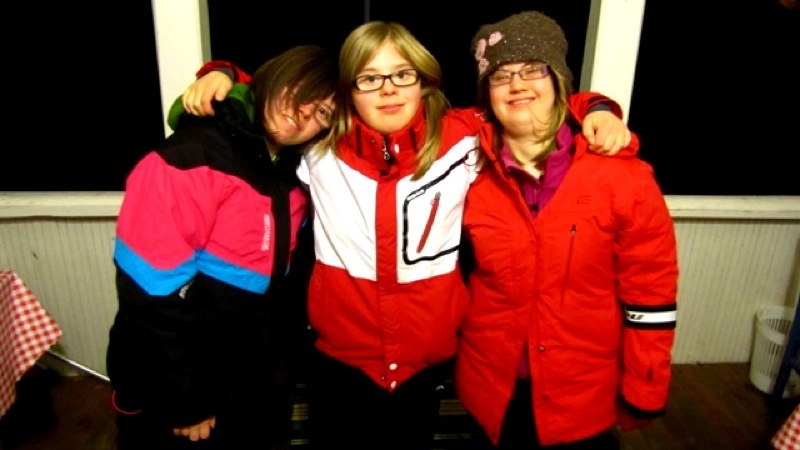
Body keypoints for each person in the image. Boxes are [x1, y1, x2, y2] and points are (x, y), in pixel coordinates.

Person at [178, 20, 630, 450]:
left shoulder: (464, 137)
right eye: (369, 78)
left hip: (424, 360)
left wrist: (598, 109)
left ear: (424, 82)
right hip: (340, 359)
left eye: (402, 74)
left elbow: (531, 103)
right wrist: (223, 74)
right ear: (348, 90)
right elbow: (275, 97)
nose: (388, 88)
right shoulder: (319, 145)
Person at [456, 11, 679, 449]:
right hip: (493, 389)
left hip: (581, 395)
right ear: (487, 95)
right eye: (501, 75)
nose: (517, 85)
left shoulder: (623, 177)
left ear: (558, 81)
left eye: (533, 69)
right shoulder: (467, 173)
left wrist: (646, 384)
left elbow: (651, 293)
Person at [106, 45, 336, 450]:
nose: (302, 113)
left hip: (251, 376)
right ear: (273, 76)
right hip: (181, 382)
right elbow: (151, 293)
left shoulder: (292, 171)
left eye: (321, 112)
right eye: (300, 91)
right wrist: (187, 399)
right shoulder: (189, 159)